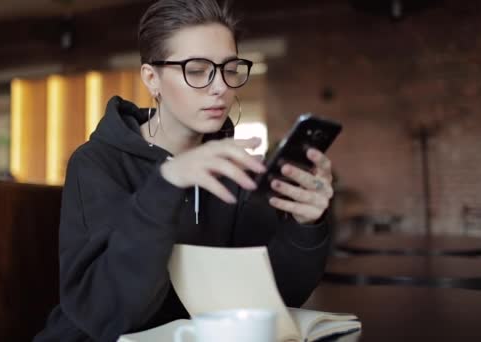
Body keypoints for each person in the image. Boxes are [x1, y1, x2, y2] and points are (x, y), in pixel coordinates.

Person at [34, 0, 335, 341]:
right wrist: (167, 183)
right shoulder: (96, 163)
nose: (220, 86)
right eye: (197, 70)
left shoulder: (234, 167)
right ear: (152, 79)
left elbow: (270, 300)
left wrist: (305, 227)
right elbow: (109, 315)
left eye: (230, 68)